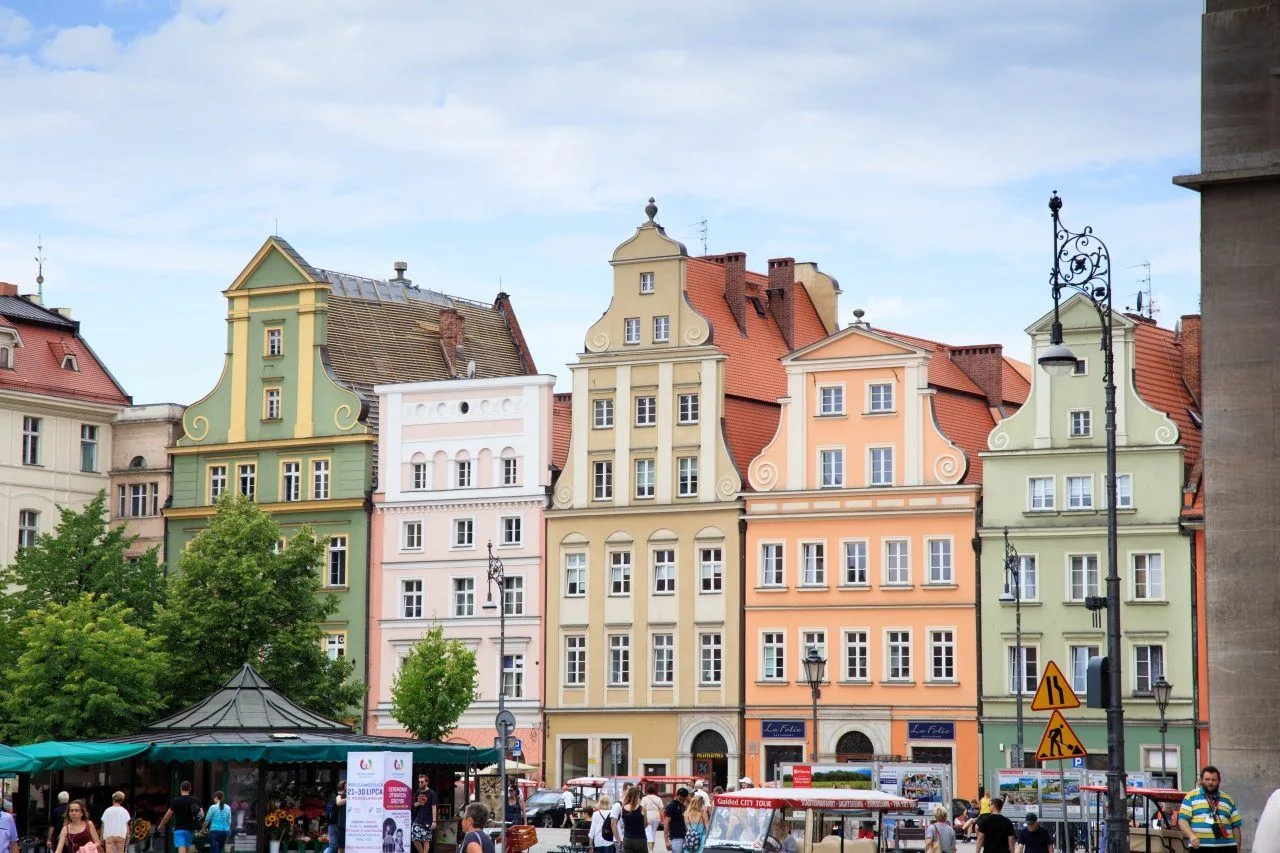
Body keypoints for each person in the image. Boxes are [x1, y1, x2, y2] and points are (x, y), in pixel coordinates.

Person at [1179, 765, 1242, 852]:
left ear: (1219, 781)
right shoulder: (1190, 797)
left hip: (1227, 847)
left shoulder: (1228, 799)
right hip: (1200, 846)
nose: (1210, 782)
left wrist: (1238, 848)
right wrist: (1192, 836)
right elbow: (1182, 820)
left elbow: (1236, 826)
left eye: (1214, 780)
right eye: (1207, 779)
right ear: (1201, 780)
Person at [157, 781, 203, 853]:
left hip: (179, 829)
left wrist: (161, 825)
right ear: (190, 789)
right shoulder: (195, 800)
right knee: (186, 849)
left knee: (182, 848)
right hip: (190, 830)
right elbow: (201, 815)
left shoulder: (176, 801)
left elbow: (167, 816)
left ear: (180, 788)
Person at [619, 786, 648, 853]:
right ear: (637, 796)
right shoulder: (642, 809)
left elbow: (623, 823)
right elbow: (645, 823)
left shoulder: (623, 809)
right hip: (640, 839)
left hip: (627, 839)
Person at [663, 789, 688, 853]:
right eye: (681, 799)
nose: (682, 801)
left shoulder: (682, 805)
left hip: (684, 836)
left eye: (684, 799)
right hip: (676, 837)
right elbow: (666, 823)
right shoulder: (671, 806)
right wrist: (666, 841)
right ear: (678, 796)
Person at [325, 782, 347, 853]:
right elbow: (339, 803)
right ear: (344, 787)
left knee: (333, 845)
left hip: (332, 822)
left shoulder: (333, 794)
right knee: (334, 846)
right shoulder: (340, 795)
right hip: (337, 823)